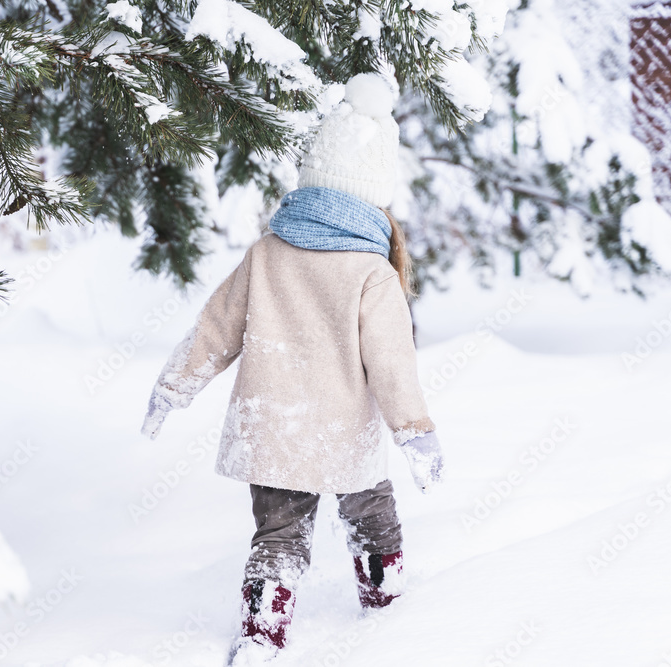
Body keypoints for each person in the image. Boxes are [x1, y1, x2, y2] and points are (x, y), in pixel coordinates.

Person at [139, 73, 444, 663]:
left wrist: (173, 387)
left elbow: (215, 328)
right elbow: (391, 363)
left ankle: (261, 634)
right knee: (372, 515)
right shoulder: (372, 271)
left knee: (276, 537)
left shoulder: (267, 253)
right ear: (374, 195)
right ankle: (388, 610)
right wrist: (415, 429)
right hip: (343, 431)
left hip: (271, 424)